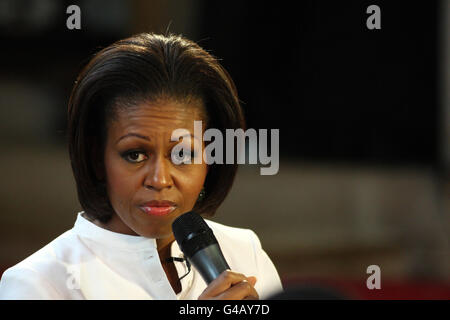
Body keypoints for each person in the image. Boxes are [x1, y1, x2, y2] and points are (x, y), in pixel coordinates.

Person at [0, 33, 283, 299]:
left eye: (183, 155)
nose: (159, 179)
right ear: (97, 159)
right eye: (135, 154)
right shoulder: (38, 282)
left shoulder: (246, 253)